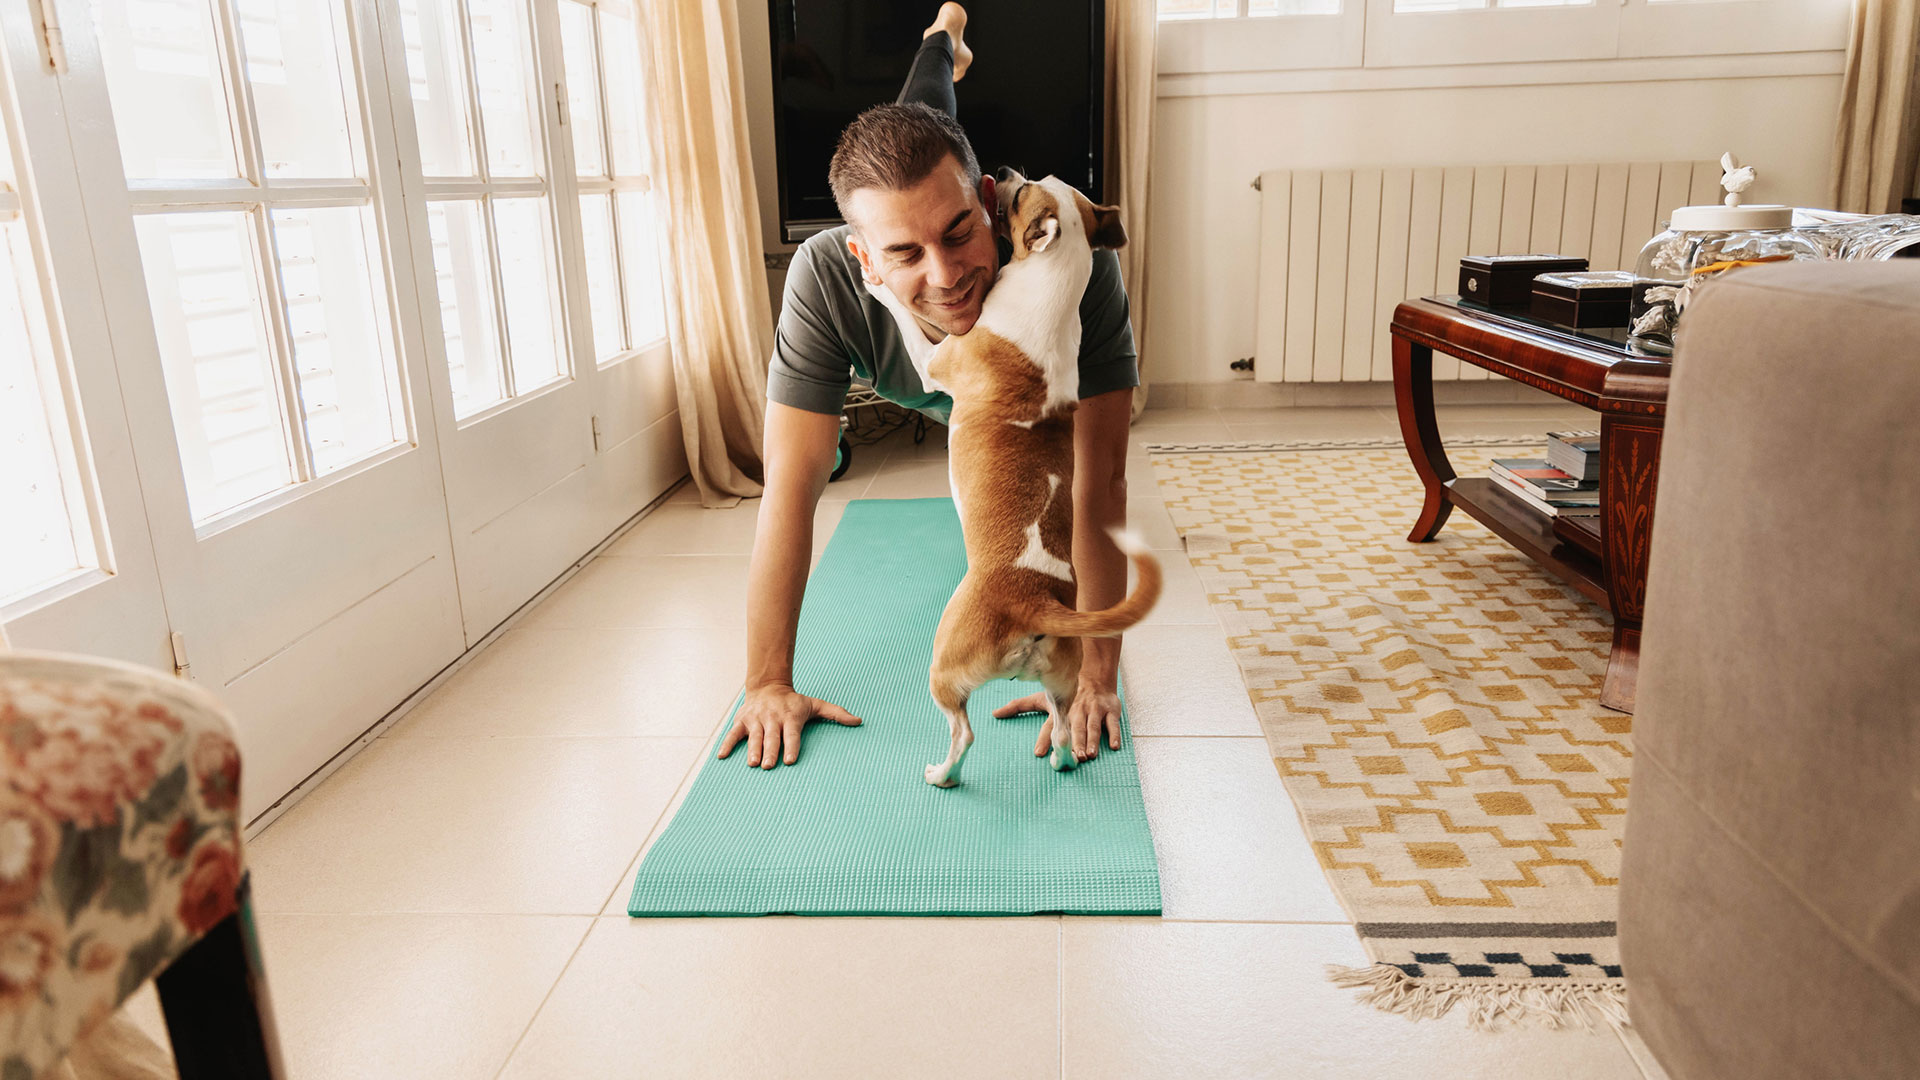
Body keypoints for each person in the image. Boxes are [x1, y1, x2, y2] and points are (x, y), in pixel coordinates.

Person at [720, 3, 1139, 772]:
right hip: (960, 383)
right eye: (905, 252)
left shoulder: (1069, 264)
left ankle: (942, 53)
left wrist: (1093, 672)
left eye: (958, 232)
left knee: (926, 115)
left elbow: (1101, 479)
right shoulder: (825, 278)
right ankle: (944, 39)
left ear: (987, 200)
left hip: (1013, 391)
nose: (947, 279)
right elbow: (791, 483)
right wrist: (767, 681)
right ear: (865, 260)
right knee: (926, 90)